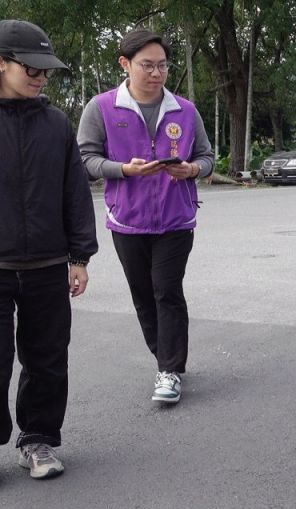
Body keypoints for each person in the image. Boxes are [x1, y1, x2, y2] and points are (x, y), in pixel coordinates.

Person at [78, 29, 215, 404]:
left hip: (176, 219)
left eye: (163, 66)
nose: (157, 73)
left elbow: (206, 157)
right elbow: (85, 159)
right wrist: (124, 169)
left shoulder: (185, 110)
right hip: (127, 220)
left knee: (167, 290)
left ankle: (169, 370)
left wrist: (192, 170)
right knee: (143, 295)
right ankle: (166, 358)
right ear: (125, 64)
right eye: (147, 65)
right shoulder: (102, 108)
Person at [0, 20, 98, 479]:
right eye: (31, 69)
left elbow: (74, 193)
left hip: (47, 264)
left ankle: (37, 440)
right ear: (2, 64)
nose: (41, 78)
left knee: (47, 359)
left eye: (46, 71)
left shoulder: (56, 123)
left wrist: (80, 257)